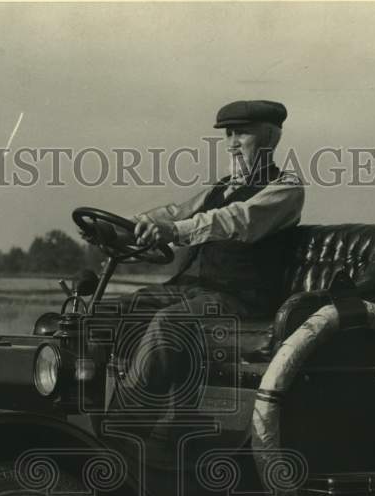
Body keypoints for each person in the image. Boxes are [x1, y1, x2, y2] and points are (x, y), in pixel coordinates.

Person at [109, 100, 304, 434]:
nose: (232, 143)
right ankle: (78, 405)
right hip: (190, 290)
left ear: (271, 138)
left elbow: (237, 220)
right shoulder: (219, 188)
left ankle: (126, 427)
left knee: (168, 324)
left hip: (238, 298)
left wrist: (175, 232)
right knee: (106, 310)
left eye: (242, 133)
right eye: (228, 134)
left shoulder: (285, 188)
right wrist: (124, 227)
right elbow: (175, 213)